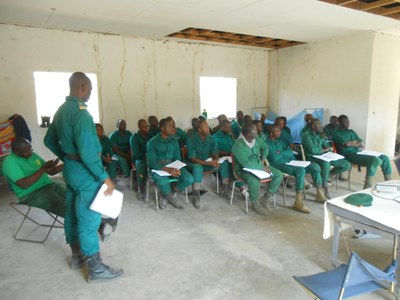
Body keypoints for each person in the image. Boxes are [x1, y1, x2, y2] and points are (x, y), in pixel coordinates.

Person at [44, 72, 123, 282]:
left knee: (72, 213)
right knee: (89, 220)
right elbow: (88, 153)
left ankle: (78, 257)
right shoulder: (82, 114)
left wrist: (68, 157)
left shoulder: (61, 111)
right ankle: (96, 270)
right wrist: (105, 177)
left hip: (71, 171)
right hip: (86, 173)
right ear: (83, 87)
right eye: (89, 89)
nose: (89, 94)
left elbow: (48, 140)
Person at [266, 125, 327, 213]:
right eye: (278, 132)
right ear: (271, 134)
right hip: (279, 165)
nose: (280, 133)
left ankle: (320, 195)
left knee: (315, 167)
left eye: (280, 131)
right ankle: (298, 202)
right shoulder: (266, 143)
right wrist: (283, 153)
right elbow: (274, 158)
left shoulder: (280, 141)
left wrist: (281, 152)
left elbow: (290, 152)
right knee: (300, 170)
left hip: (291, 161)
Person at [2, 137, 65, 216]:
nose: (30, 152)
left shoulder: (32, 155)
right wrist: (43, 168)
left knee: (76, 196)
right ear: (16, 152)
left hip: (49, 185)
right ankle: (80, 225)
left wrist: (67, 163)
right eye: (26, 151)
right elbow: (24, 184)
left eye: (30, 149)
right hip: (31, 193)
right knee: (64, 206)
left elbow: (51, 172)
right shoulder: (10, 163)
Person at [231, 123, 283, 216]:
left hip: (259, 166)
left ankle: (266, 197)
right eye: (254, 130)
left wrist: (263, 158)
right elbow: (246, 163)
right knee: (253, 179)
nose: (257, 131)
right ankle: (255, 203)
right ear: (247, 133)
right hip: (243, 170)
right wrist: (262, 167)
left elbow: (265, 147)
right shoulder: (238, 145)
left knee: (278, 174)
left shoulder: (258, 140)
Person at [332, 115, 392, 189]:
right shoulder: (336, 133)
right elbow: (347, 145)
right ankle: (367, 186)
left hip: (358, 152)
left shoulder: (351, 131)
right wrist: (355, 142)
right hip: (348, 154)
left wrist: (351, 143)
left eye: (348, 122)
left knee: (385, 157)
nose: (347, 124)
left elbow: (361, 144)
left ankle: (389, 183)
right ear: (339, 123)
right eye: (344, 122)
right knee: (374, 160)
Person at [147, 118, 194, 209]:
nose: (173, 128)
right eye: (170, 126)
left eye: (173, 126)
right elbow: (152, 162)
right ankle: (170, 197)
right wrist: (168, 169)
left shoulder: (174, 141)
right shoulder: (152, 143)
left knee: (189, 179)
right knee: (163, 180)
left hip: (173, 167)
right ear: (162, 128)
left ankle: (169, 193)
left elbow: (177, 159)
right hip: (158, 169)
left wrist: (176, 168)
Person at [302, 118, 351, 199]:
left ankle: (327, 175)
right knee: (326, 164)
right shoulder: (306, 136)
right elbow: (313, 150)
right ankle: (325, 187)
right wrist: (325, 150)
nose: (319, 125)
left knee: (347, 164)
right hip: (312, 157)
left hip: (323, 156)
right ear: (312, 126)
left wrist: (327, 148)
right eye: (317, 124)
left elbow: (327, 145)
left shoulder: (320, 134)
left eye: (319, 123)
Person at [187, 120, 231, 207]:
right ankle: (196, 195)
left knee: (224, 164)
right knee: (197, 168)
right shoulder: (192, 140)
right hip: (195, 164)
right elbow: (193, 159)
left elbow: (214, 152)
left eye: (208, 127)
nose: (208, 129)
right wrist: (209, 163)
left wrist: (216, 160)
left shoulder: (210, 139)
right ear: (199, 130)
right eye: (206, 127)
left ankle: (224, 190)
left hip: (208, 163)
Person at [212, 119, 248, 198]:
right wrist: (228, 153)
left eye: (229, 128)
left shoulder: (230, 136)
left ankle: (242, 187)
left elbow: (234, 147)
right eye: (226, 127)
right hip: (220, 158)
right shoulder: (215, 137)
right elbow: (214, 151)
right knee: (226, 165)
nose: (229, 129)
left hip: (231, 157)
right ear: (221, 127)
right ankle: (224, 188)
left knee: (238, 165)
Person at [130, 119, 150, 200]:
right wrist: (147, 158)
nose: (147, 128)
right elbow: (136, 154)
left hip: (149, 158)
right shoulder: (134, 138)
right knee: (141, 167)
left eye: (147, 126)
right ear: (139, 128)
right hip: (139, 159)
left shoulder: (150, 136)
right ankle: (141, 190)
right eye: (144, 127)